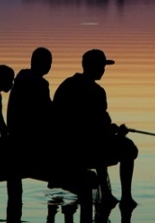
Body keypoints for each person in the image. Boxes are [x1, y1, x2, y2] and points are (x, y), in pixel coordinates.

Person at [53, 49, 138, 207]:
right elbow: (101, 127)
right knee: (129, 148)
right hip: (85, 149)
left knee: (100, 141)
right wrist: (118, 131)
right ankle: (126, 197)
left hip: (63, 146)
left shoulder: (67, 84)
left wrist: (110, 129)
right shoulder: (97, 92)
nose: (103, 70)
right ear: (93, 67)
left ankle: (106, 193)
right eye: (102, 66)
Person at [6, 47, 53, 223]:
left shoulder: (20, 79)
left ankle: (14, 213)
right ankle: (54, 174)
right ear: (44, 64)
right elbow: (47, 113)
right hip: (28, 140)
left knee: (15, 190)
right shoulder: (40, 84)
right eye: (49, 63)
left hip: (15, 135)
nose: (50, 66)